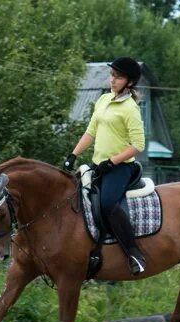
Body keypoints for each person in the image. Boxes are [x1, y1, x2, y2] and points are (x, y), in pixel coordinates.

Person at [63, 57, 146, 276]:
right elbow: (91, 132)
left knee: (108, 203)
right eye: (112, 76)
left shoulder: (130, 108)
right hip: (98, 165)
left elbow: (138, 144)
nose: (113, 80)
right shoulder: (103, 100)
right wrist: (73, 154)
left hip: (119, 168)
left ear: (129, 82)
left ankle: (134, 253)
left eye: (118, 77)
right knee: (76, 199)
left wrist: (111, 162)